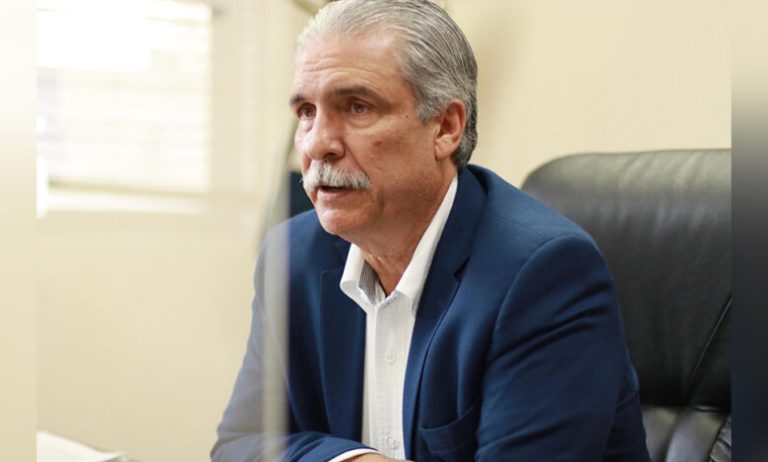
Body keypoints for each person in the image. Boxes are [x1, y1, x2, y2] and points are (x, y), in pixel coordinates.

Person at [212, 0, 650, 461]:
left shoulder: (543, 275)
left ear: (445, 127)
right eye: (306, 111)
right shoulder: (294, 255)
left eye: (357, 107)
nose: (319, 142)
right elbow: (241, 444)